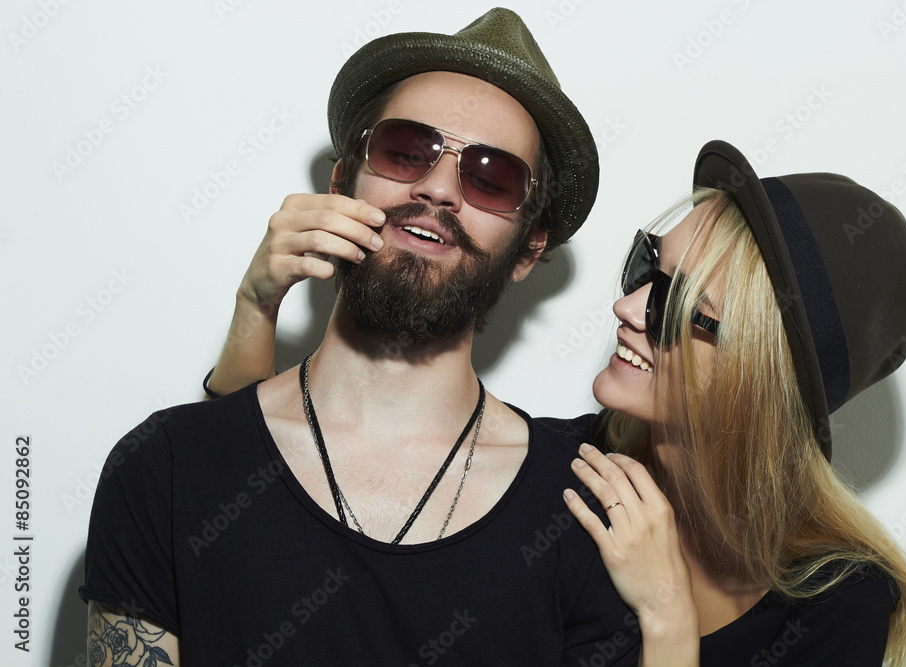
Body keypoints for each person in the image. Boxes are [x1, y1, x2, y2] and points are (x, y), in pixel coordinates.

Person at [211, 141, 906, 665]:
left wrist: (665, 620)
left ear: (762, 374)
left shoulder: (841, 604)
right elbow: (260, 528)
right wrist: (256, 310)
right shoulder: (553, 474)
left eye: (678, 305)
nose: (627, 307)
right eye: (644, 269)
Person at [79, 9, 642, 665]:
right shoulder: (164, 467)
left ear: (528, 249)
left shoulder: (588, 499)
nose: (437, 188)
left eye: (491, 177)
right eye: (406, 150)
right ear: (343, 180)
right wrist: (253, 312)